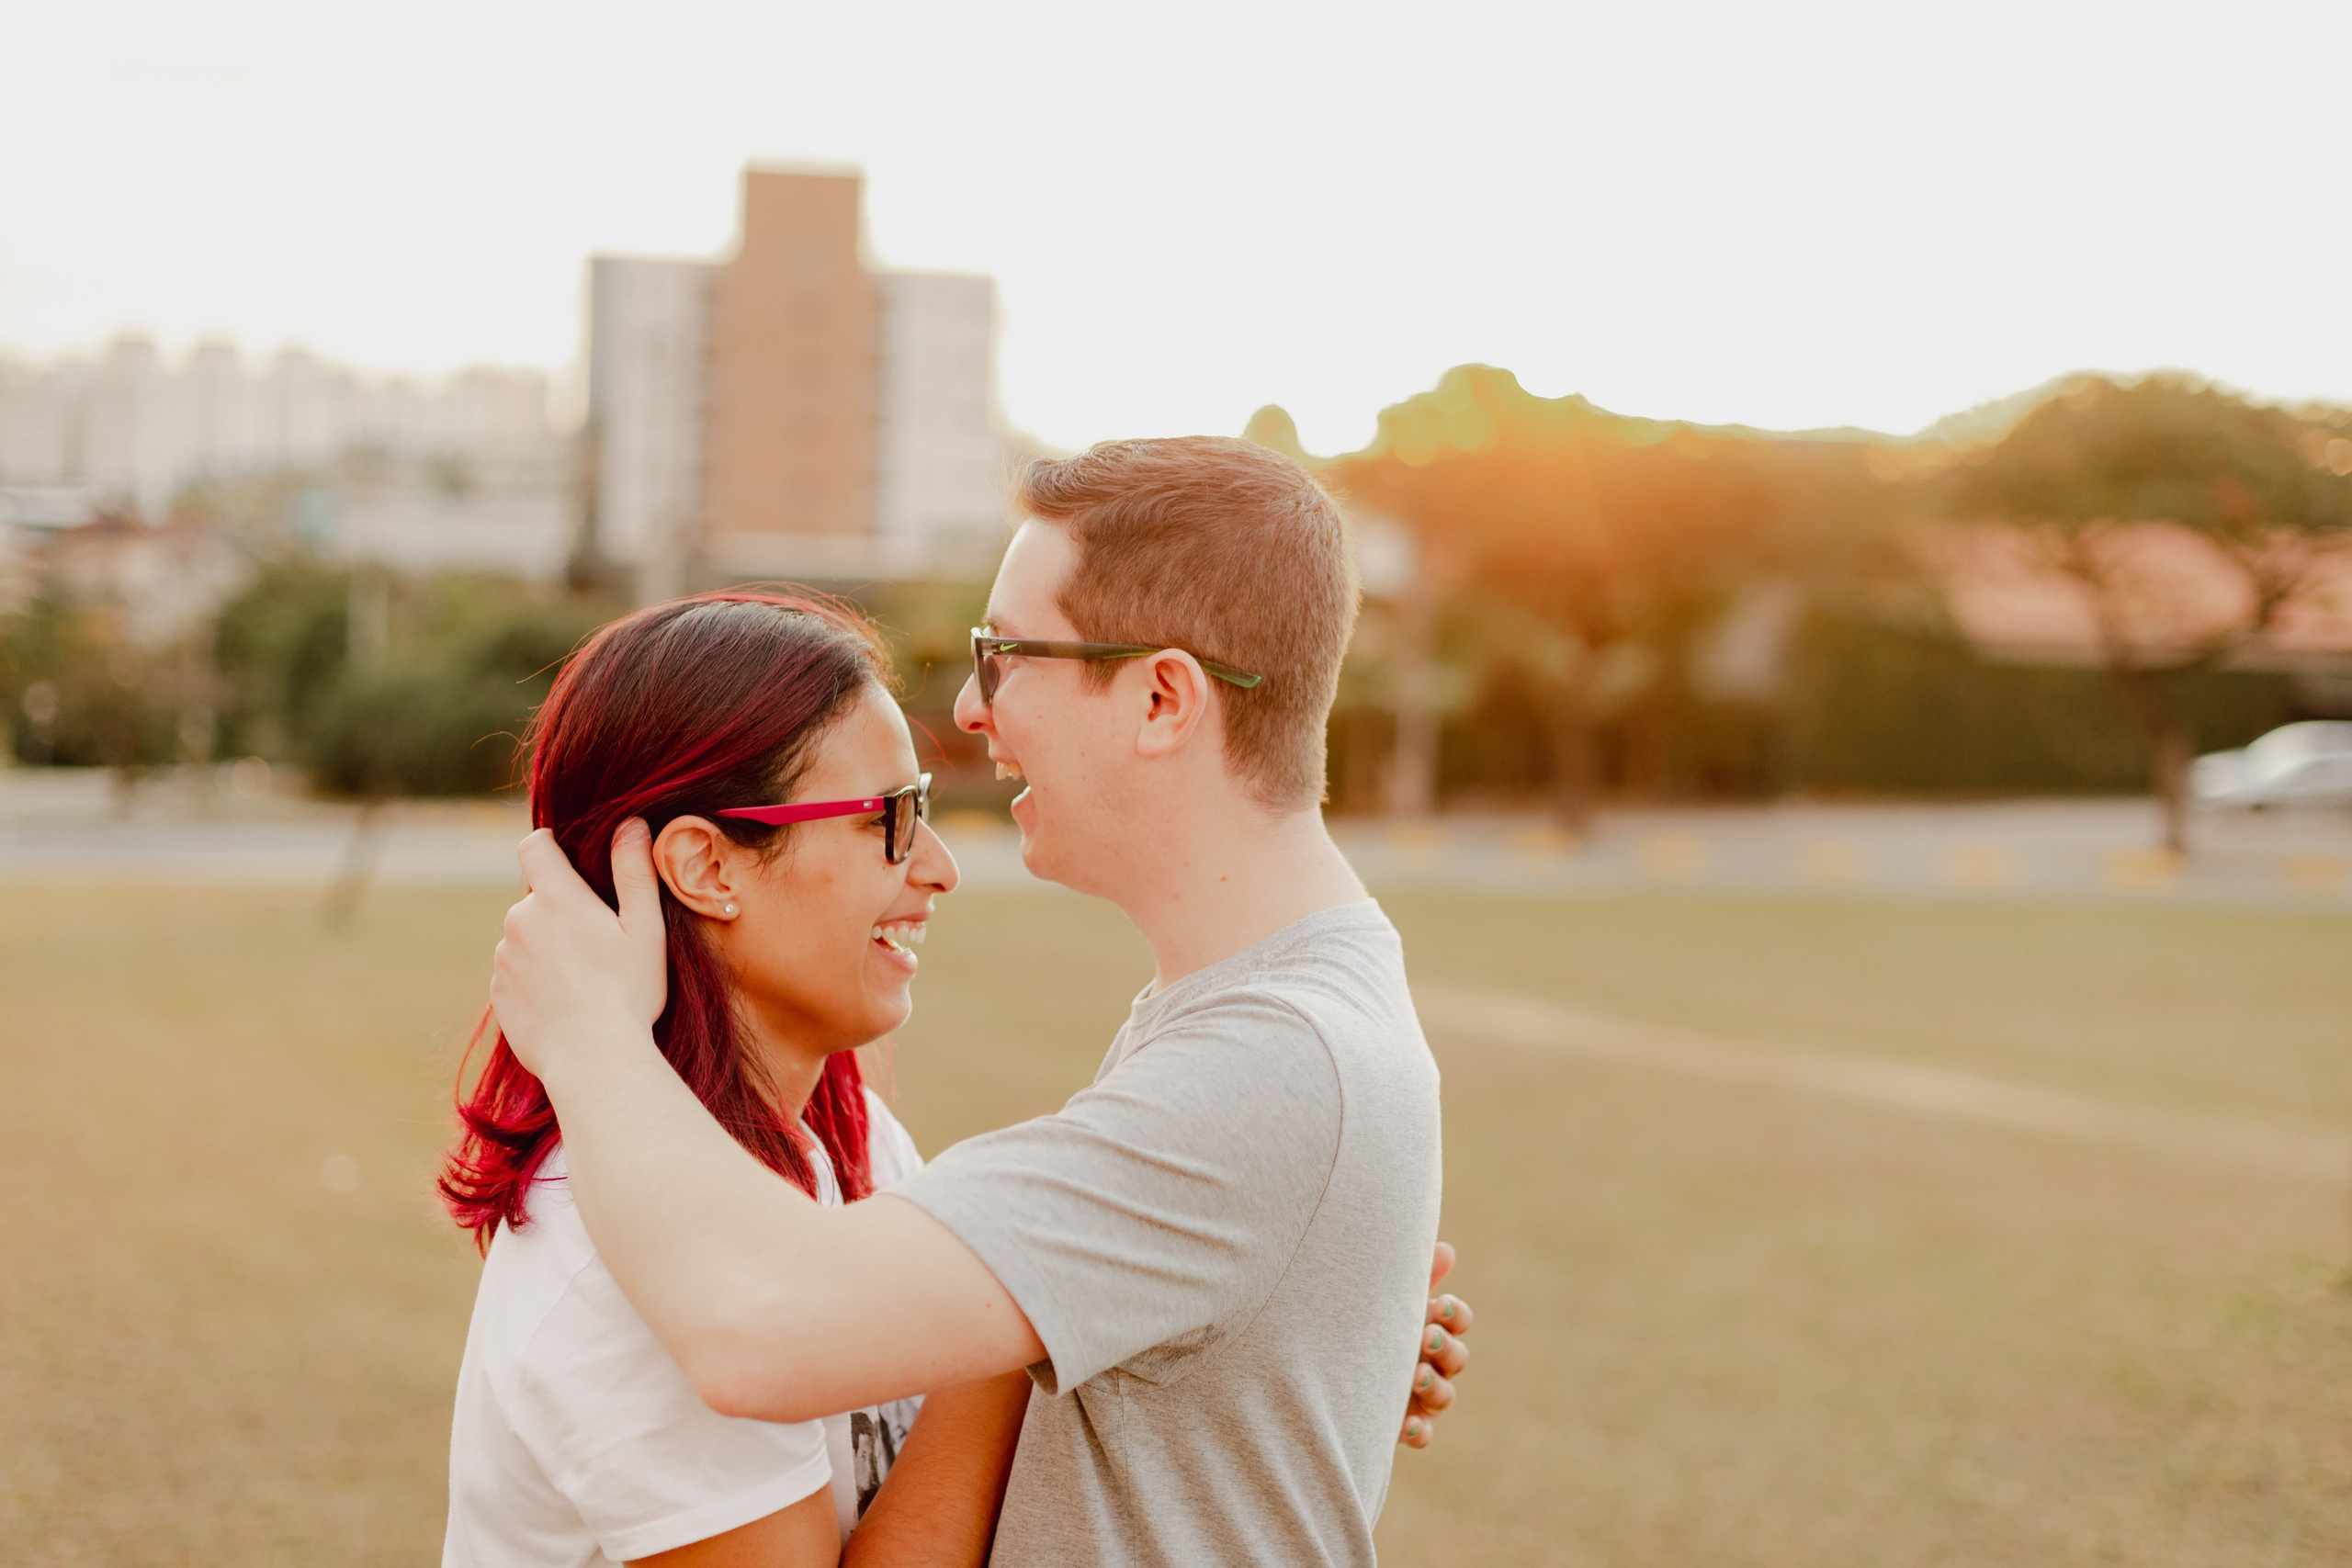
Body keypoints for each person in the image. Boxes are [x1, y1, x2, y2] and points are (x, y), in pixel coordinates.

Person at [490, 438, 1464, 1565]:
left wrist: (589, 1035)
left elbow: (754, 1330)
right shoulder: (1256, 1013)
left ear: (1160, 697)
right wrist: (1264, 1337)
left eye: (1005, 655)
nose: (973, 705)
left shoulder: (1269, 1061)